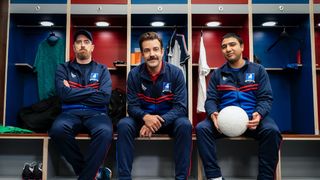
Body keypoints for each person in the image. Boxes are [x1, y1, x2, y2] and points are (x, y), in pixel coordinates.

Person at [195, 33, 282, 180]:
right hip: (225, 121)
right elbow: (210, 100)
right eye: (224, 46)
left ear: (242, 47)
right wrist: (213, 113)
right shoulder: (217, 74)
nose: (228, 49)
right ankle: (214, 176)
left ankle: (265, 177)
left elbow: (266, 98)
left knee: (272, 131)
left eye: (232, 45)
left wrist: (259, 114)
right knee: (202, 128)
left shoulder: (258, 70)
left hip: (252, 120)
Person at [116, 32, 192, 180]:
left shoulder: (176, 73)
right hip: (142, 121)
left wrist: (156, 122)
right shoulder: (134, 75)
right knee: (124, 124)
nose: (152, 54)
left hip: (169, 121)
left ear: (162, 51)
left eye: (156, 49)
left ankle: (181, 178)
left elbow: (181, 107)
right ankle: (124, 178)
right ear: (142, 54)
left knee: (185, 125)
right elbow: (132, 107)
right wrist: (146, 117)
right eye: (147, 50)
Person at [49, 29, 113, 180]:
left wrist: (73, 92)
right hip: (70, 113)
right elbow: (63, 94)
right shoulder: (63, 68)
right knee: (57, 130)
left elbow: (104, 98)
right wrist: (91, 91)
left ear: (92, 47)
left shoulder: (102, 69)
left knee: (105, 131)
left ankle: (85, 176)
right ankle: (90, 172)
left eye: (86, 42)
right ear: (74, 47)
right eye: (78, 42)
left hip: (97, 113)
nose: (82, 45)